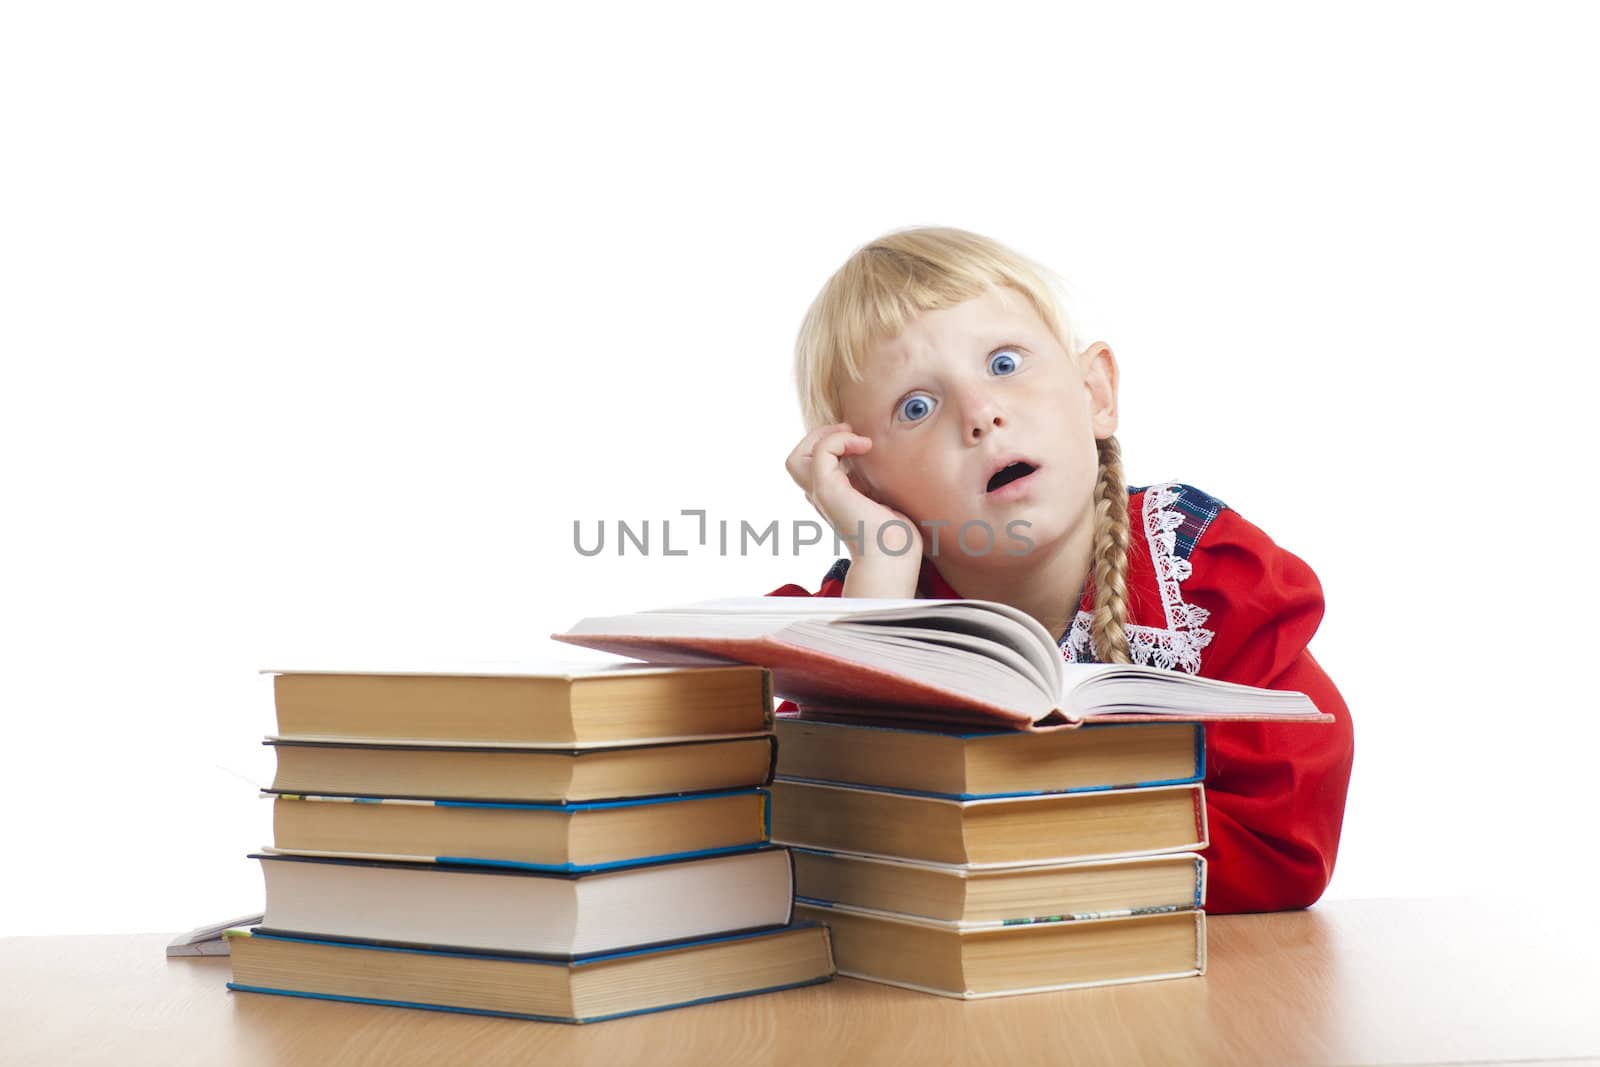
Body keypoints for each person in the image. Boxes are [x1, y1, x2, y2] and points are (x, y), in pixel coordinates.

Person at [767, 226, 1354, 913]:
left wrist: (1017, 855)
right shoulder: (864, 608)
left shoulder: (1203, 577)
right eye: (917, 407)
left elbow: (1284, 840)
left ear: (1095, 391)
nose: (980, 413)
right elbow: (833, 849)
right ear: (866, 487)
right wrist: (882, 576)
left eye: (1005, 363)